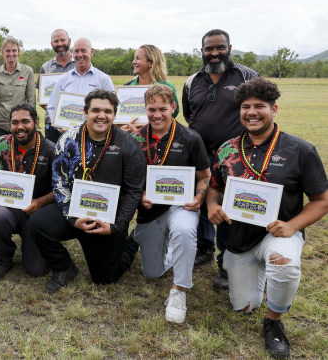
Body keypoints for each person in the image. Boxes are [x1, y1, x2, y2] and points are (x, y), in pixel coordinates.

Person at [206, 78, 328, 358]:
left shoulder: (300, 150)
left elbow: (322, 200)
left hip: (278, 233)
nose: (252, 112)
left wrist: (292, 225)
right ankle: (256, 269)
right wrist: (212, 204)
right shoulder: (227, 149)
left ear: (274, 109)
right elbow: (214, 186)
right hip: (238, 239)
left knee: (284, 266)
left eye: (259, 106)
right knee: (244, 306)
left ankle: (273, 322)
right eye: (245, 106)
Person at [28, 89, 146, 293]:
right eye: (96, 110)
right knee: (37, 224)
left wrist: (116, 226)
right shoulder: (68, 139)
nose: (102, 115)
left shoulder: (128, 144)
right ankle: (64, 267)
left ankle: (131, 242)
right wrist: (72, 218)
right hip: (74, 210)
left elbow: (133, 190)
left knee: (104, 279)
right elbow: (59, 183)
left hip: (108, 219)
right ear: (85, 112)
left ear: (115, 115)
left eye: (108, 111)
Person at [182, 29, 259, 289]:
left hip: (235, 156)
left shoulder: (246, 76)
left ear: (229, 47)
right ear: (202, 51)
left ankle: (226, 262)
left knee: (227, 207)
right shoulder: (192, 80)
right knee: (203, 201)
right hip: (201, 153)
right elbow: (189, 113)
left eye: (220, 47)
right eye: (208, 48)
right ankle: (203, 248)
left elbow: (256, 109)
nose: (214, 53)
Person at [129, 84, 211, 323]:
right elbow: (129, 179)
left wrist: (199, 198)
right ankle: (173, 250)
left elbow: (204, 176)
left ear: (173, 108)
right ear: (144, 108)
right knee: (151, 273)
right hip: (150, 210)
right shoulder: (135, 139)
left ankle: (179, 290)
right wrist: (140, 195)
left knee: (184, 230)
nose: (157, 114)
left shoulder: (190, 138)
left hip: (180, 206)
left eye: (162, 108)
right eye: (151, 109)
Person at [0, 103, 53, 281]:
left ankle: (34, 245)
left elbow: (61, 188)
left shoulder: (50, 149)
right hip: (8, 208)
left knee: (37, 270)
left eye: (25, 121)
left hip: (38, 212)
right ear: (10, 125)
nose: (20, 127)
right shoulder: (1, 144)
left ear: (36, 122)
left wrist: (40, 202)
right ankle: (3, 258)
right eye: (15, 122)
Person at [46, 38, 114, 140]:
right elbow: (51, 107)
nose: (79, 55)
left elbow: (112, 109)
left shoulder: (104, 79)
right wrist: (60, 127)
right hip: (68, 137)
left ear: (91, 52)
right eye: (76, 51)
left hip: (95, 138)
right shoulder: (63, 79)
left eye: (83, 51)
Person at [0, 37, 36, 140]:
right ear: (2, 52)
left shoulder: (28, 71)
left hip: (21, 124)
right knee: (0, 154)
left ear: (18, 51)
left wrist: (32, 122)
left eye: (14, 50)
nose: (11, 54)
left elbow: (31, 100)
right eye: (8, 51)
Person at [38, 29, 76, 143]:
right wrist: (57, 115)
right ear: (51, 44)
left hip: (76, 122)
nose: (60, 44)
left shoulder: (79, 64)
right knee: (53, 155)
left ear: (69, 41)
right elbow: (41, 98)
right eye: (56, 41)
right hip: (51, 123)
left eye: (62, 40)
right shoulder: (46, 67)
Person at [124, 45, 179, 117]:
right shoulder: (127, 87)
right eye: (134, 58)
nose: (133, 62)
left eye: (138, 58)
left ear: (150, 62)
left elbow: (174, 112)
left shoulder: (167, 87)